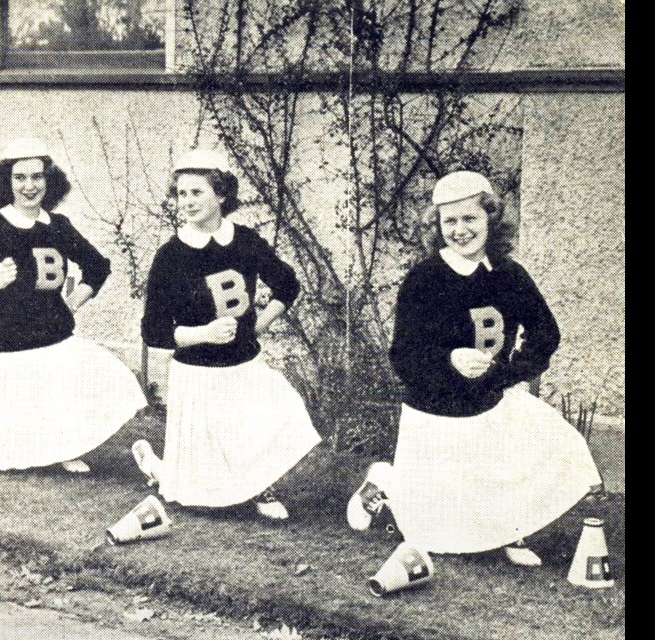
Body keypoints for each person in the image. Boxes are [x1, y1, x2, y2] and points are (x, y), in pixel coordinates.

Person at [347, 170, 602, 565]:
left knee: (556, 449)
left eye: (470, 219)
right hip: (434, 410)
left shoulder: (509, 276)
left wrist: (505, 375)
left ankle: (510, 528)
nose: (460, 230)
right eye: (450, 220)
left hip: (490, 403)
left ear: (491, 220)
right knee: (430, 535)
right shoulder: (425, 279)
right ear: (436, 225)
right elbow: (404, 355)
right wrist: (449, 360)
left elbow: (545, 334)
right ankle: (385, 483)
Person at [133, 149, 322, 520]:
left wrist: (258, 325)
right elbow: (154, 331)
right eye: (181, 194)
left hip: (244, 364)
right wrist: (204, 333)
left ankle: (261, 485)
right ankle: (155, 465)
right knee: (195, 493)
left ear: (221, 194)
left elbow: (287, 285)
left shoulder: (246, 241)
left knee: (278, 416)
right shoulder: (171, 255)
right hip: (197, 373)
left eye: (196, 192)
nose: (186, 202)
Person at [0, 138, 146, 474]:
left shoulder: (58, 227)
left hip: (57, 345)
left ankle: (64, 445)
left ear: (48, 180)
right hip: (11, 351)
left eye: (37, 177)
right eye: (20, 178)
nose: (29, 186)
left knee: (117, 382)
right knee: (5, 457)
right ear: (6, 183)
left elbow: (98, 267)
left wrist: (71, 305)